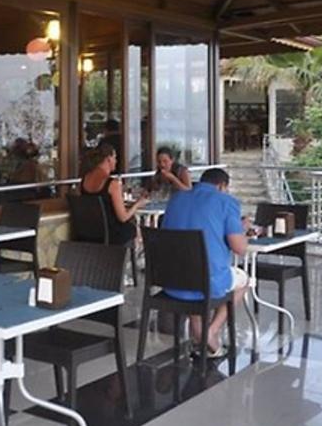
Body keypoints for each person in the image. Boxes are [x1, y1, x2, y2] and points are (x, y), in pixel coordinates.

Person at [160, 168, 249, 358]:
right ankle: (210, 331)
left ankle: (204, 340)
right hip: (206, 282)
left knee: (193, 273)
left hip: (171, 280)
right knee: (244, 281)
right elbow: (239, 248)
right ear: (222, 186)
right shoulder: (226, 202)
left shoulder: (176, 199)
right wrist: (242, 230)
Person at [79, 143, 145, 246]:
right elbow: (123, 217)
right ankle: (132, 255)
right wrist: (137, 204)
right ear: (108, 159)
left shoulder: (85, 179)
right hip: (111, 235)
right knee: (132, 228)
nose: (116, 161)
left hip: (90, 232)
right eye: (115, 157)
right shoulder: (112, 184)